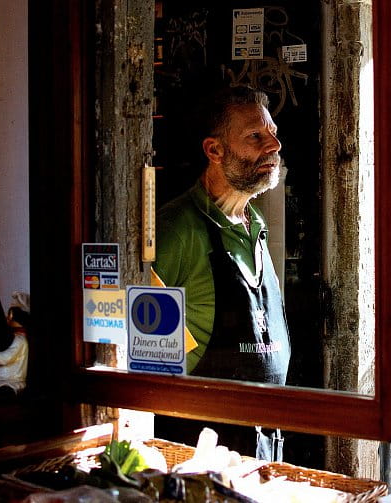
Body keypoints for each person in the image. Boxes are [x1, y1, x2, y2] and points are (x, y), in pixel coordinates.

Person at [153, 86, 290, 461]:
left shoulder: (255, 226)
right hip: (202, 452)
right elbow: (143, 350)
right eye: (255, 136)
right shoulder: (177, 230)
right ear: (214, 150)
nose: (274, 146)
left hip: (264, 445)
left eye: (273, 133)